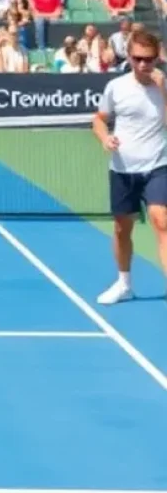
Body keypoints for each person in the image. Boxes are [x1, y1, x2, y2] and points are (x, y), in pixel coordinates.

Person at [93, 28, 167, 305]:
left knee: (162, 220)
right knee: (123, 228)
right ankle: (124, 284)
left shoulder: (164, 86)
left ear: (158, 57)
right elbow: (99, 119)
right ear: (129, 56)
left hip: (158, 166)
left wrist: (162, 89)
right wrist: (104, 137)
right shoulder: (116, 87)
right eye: (138, 59)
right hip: (123, 169)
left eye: (149, 59)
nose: (144, 65)